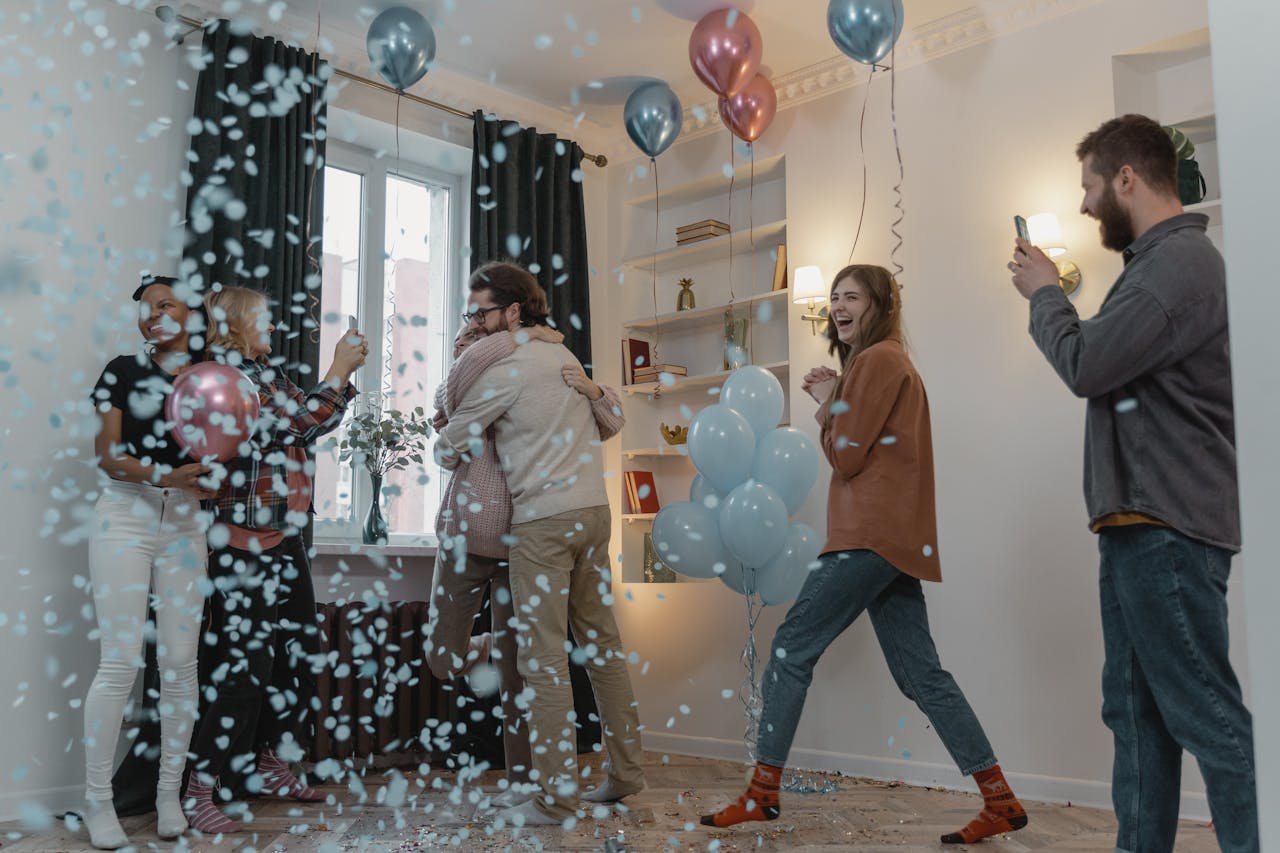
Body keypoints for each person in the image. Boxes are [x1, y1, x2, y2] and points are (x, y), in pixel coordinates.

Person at [701, 265, 1028, 844]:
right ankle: (999, 797)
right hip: (895, 539)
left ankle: (762, 793)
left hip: (868, 536)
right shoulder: (889, 364)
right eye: (833, 298)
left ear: (881, 305)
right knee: (922, 675)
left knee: (791, 648)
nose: (837, 306)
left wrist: (828, 403)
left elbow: (848, 457)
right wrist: (837, 397)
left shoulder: (878, 362)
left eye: (852, 296)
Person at [1008, 114, 1257, 852]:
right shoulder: (1158, 268)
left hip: (1166, 528)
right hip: (1140, 528)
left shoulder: (1174, 269)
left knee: (1207, 715)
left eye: (1089, 186)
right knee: (1138, 715)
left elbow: (1086, 367)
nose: (1085, 205)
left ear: (1126, 178)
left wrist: (1045, 292)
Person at [434, 261, 643, 827]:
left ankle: (555, 799)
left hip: (542, 526)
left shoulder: (503, 371)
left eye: (481, 312)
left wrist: (452, 446)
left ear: (513, 311)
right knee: (601, 646)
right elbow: (608, 420)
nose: (475, 322)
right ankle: (624, 774)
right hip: (594, 516)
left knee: (542, 663)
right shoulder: (564, 356)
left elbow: (449, 437)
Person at [182, 285, 366, 834]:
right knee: (247, 669)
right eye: (262, 317)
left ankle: (271, 765)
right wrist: (336, 369)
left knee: (298, 654)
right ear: (234, 323)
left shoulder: (267, 372)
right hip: (241, 542)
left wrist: (337, 380)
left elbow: (313, 423)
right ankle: (199, 788)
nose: (272, 325)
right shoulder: (222, 377)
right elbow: (287, 427)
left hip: (282, 537)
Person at [83, 275, 214, 848]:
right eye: (146, 308)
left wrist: (206, 484)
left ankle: (168, 793)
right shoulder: (122, 370)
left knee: (182, 663)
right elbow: (108, 457)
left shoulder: (211, 381)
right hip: (124, 516)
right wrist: (165, 476)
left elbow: (220, 453)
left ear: (192, 315)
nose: (152, 316)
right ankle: (96, 801)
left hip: (185, 520)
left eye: (166, 305)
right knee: (120, 663)